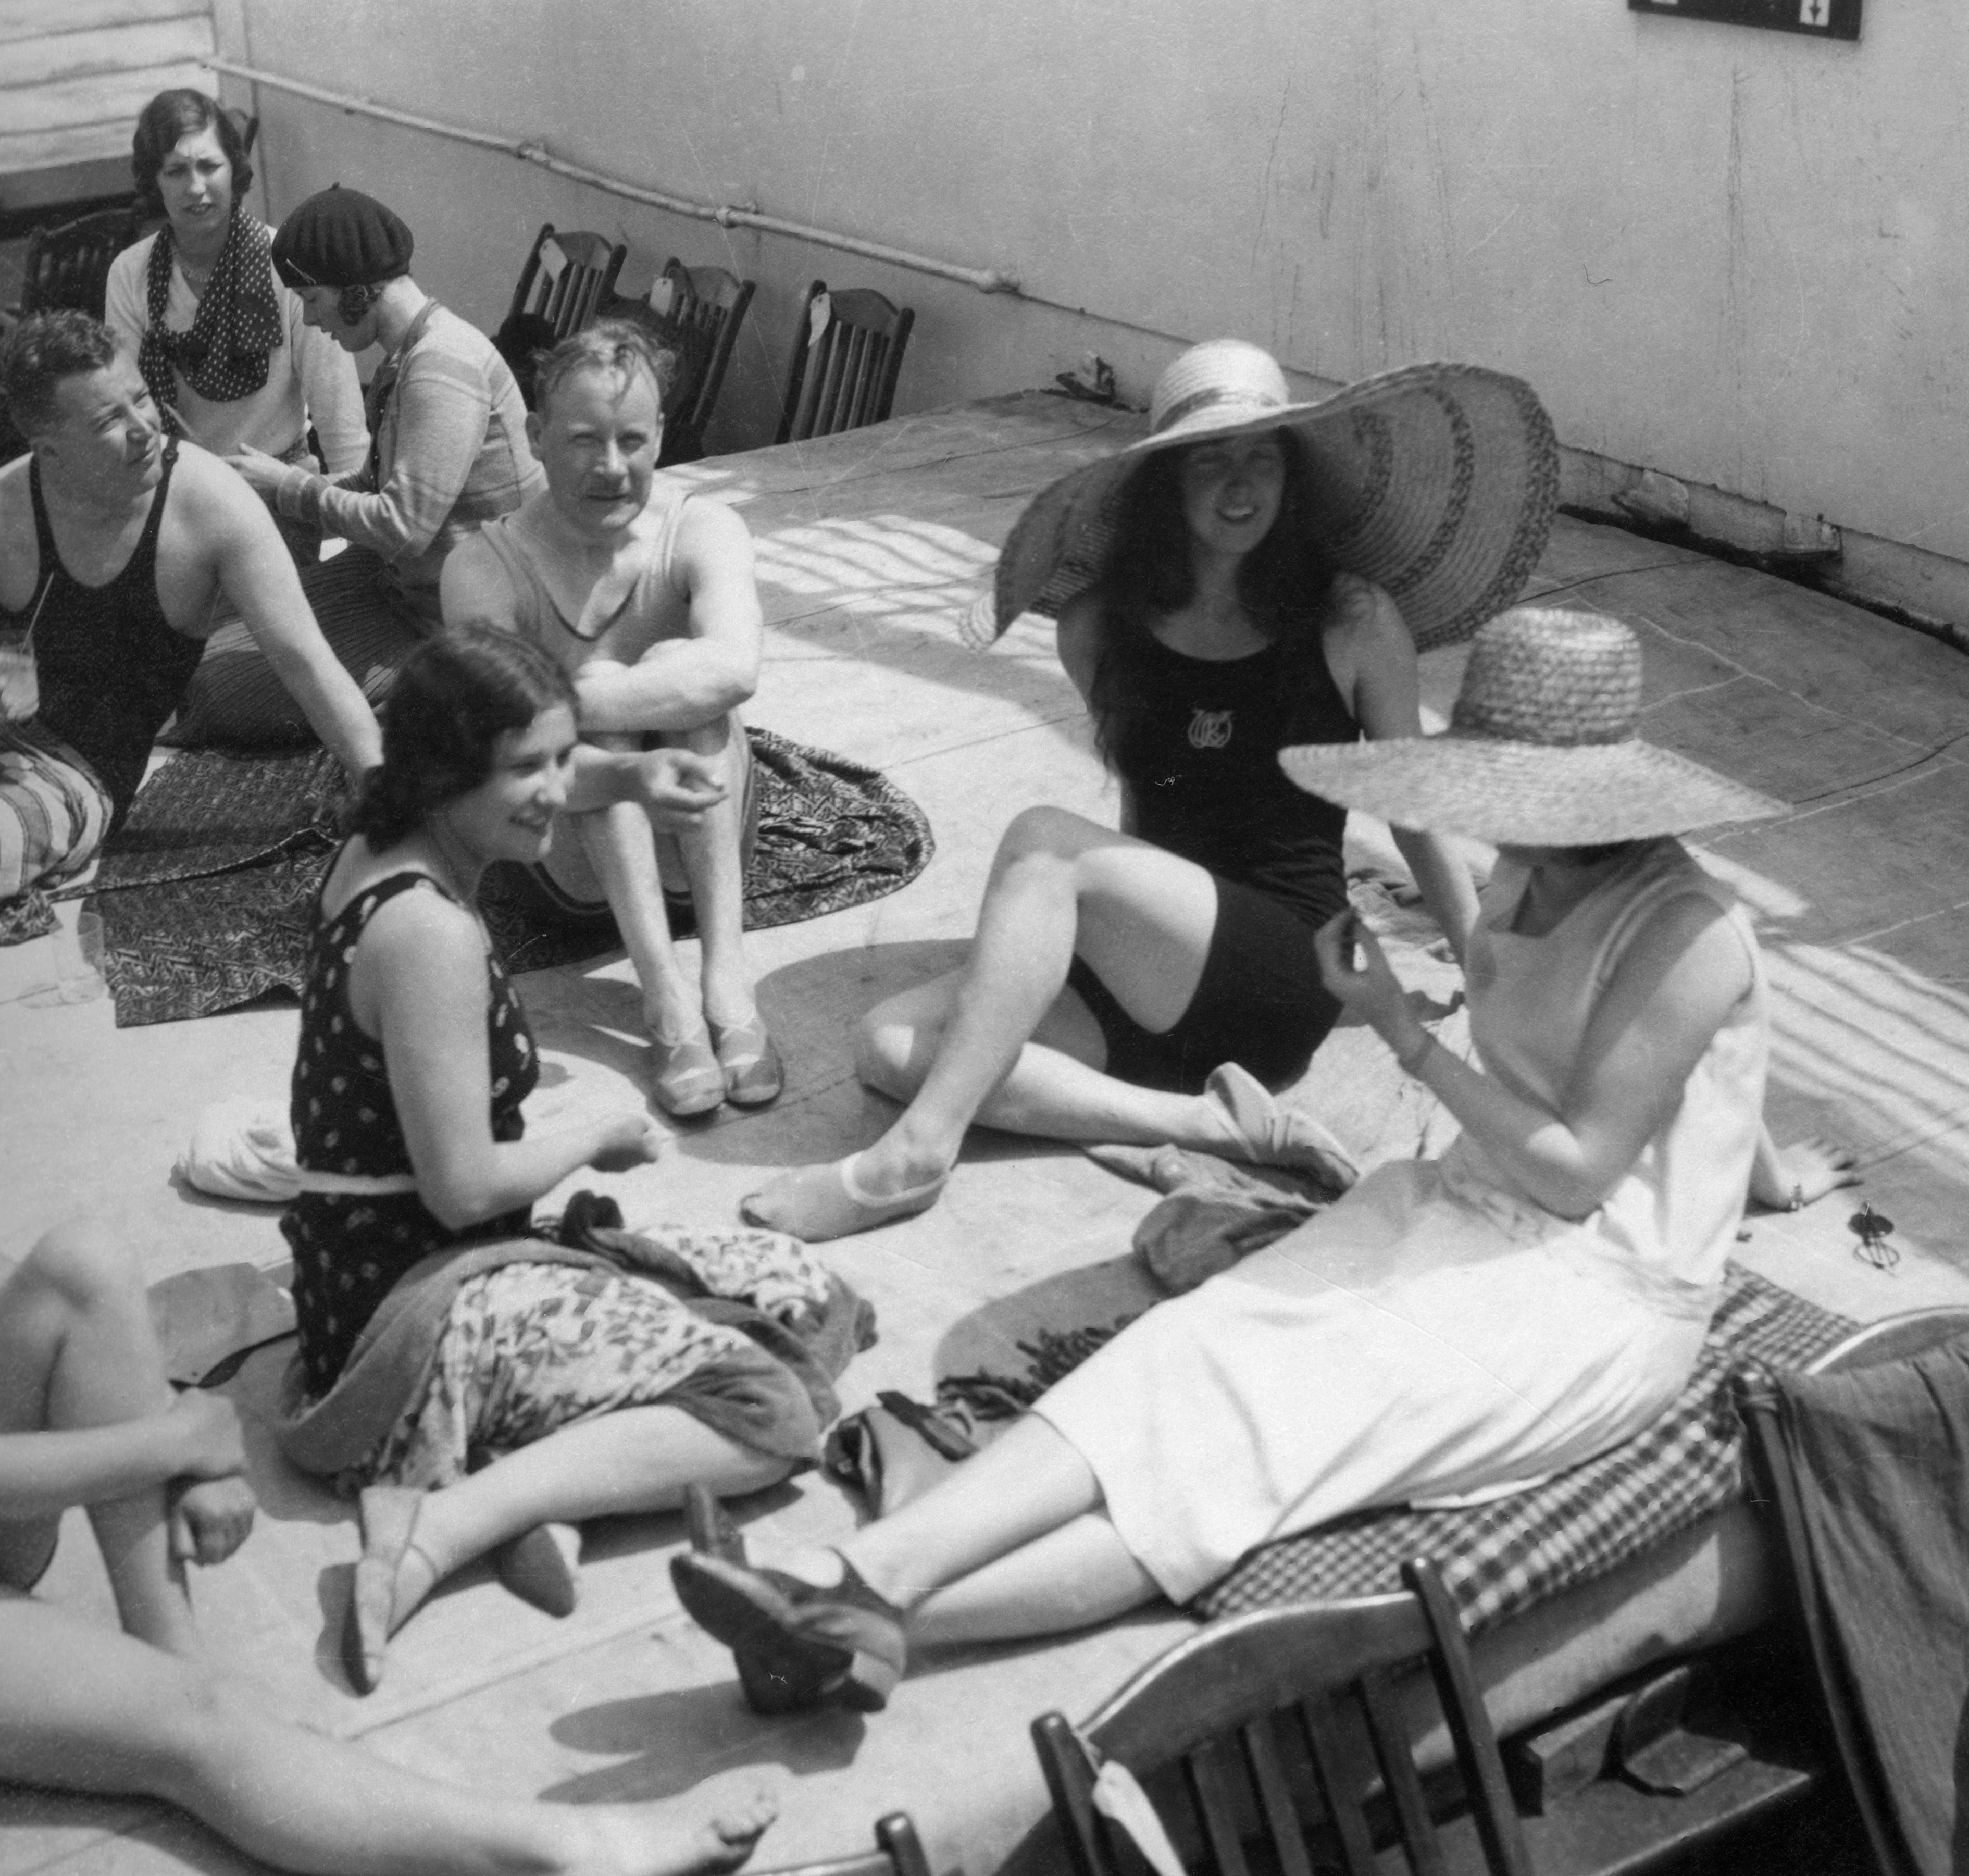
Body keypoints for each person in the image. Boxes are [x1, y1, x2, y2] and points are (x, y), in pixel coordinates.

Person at [672, 605, 1857, 1712]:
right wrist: (1759, 1167)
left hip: (1585, 1297)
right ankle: (851, 1595)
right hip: (1447, 1209)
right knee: (1187, 1351)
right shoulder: (1529, 877)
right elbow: (1698, 1077)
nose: (1490, 816)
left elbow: (1576, 1167)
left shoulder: (1685, 929)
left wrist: (1401, 1032)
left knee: (1261, 1430)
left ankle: (864, 1599)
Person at [0, 958, 775, 1874]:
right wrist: (177, 1441)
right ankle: (567, 1848)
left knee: (85, 1262)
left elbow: (48, 1308)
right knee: (197, 1737)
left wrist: (189, 1436)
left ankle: (171, 1672)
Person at [741, 338, 1544, 1241]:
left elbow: (1416, 812)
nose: (1240, 488)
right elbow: (1146, 810)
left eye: (1261, 460)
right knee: (885, 1046)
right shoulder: (1096, 627)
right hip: (1157, 967)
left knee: (1046, 841)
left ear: (1294, 479)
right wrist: (1079, 937)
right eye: (1210, 463)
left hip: (1279, 964)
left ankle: (916, 1156)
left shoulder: (1350, 618)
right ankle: (1211, 1122)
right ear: (1165, 482)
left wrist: (1484, 968)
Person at [276, 628, 863, 1696]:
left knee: (810, 1292)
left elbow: (555, 768)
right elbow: (462, 1187)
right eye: (527, 770)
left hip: (414, 1266)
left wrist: (632, 769)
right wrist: (592, 1135)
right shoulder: (429, 935)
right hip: (409, 1314)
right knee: (769, 1408)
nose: (557, 793)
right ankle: (442, 1525)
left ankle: (556, 1488)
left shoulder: (389, 842)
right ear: (448, 775)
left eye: (560, 759)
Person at [0, 309, 382, 943]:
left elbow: (304, 660)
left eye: (142, 399)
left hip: (75, 773)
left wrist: (378, 779)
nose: (144, 429)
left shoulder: (211, 506)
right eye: (108, 422)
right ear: (50, 449)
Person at [443, 320, 777, 1118]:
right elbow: (494, 738)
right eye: (585, 440)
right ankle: (665, 996)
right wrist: (585, 710)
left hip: (706, 838)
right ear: (535, 436)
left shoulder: (702, 526)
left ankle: (725, 979)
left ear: (661, 434)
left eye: (633, 439)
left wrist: (557, 699)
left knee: (673, 681)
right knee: (604, 694)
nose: (612, 467)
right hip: (563, 865)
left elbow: (735, 669)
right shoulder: (484, 563)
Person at [185, 184, 542, 743]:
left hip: (453, 620)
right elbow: (381, 486)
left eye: (311, 298)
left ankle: (440, 703)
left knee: (226, 695)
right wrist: (283, 484)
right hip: (399, 585)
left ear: (356, 290)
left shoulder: (441, 367)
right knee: (213, 655)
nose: (309, 320)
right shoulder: (414, 353)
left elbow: (405, 527)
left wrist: (293, 491)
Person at [104, 89, 368, 561]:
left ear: (235, 170)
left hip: (277, 496)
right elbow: (126, 416)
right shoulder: (130, 273)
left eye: (209, 166)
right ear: (155, 182)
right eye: (176, 171)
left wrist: (357, 544)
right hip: (176, 499)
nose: (196, 188)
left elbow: (343, 427)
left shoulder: (288, 264)